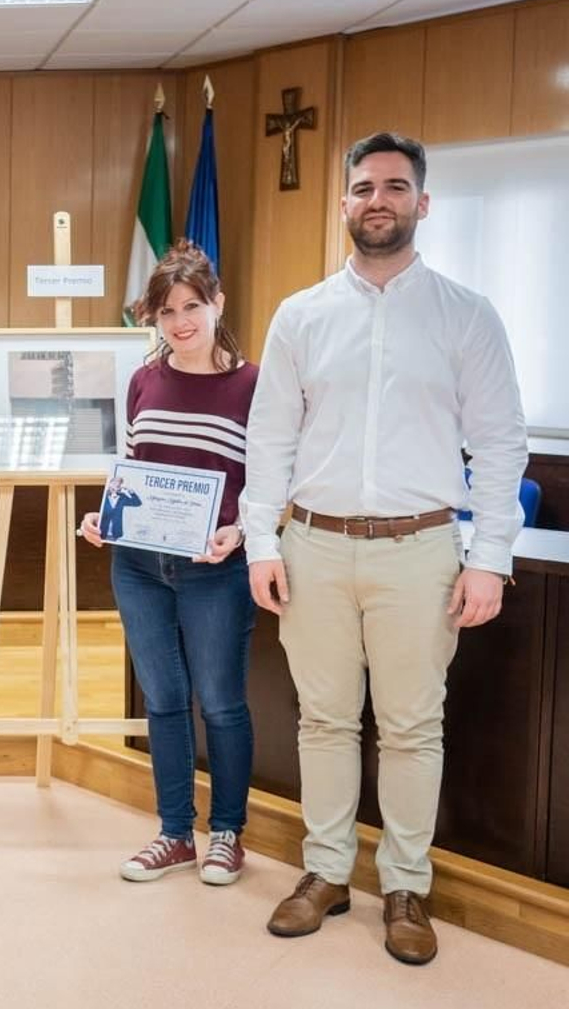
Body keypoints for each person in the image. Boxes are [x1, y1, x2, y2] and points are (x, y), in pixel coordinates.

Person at [242, 132, 529, 965]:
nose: (379, 199)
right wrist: (264, 541)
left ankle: (405, 885)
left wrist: (490, 555)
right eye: (364, 186)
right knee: (324, 719)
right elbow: (270, 441)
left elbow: (501, 443)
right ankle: (325, 872)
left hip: (421, 551)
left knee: (411, 726)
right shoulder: (301, 315)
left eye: (395, 186)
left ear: (422, 204)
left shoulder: (466, 315)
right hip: (314, 548)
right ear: (343, 204)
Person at [80, 239, 257, 886]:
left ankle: (228, 833)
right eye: (166, 311)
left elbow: (266, 482)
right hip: (138, 565)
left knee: (220, 702)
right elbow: (132, 470)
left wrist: (239, 530)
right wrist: (106, 514)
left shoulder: (252, 384)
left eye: (192, 305)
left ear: (217, 303)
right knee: (163, 699)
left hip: (215, 568)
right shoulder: (143, 380)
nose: (181, 321)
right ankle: (176, 832)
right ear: (153, 319)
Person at [97, 476, 143, 541]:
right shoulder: (102, 495)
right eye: (114, 483)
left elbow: (137, 503)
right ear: (110, 483)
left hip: (115, 534)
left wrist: (131, 492)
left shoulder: (122, 497)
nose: (117, 485)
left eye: (119, 484)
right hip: (101, 532)